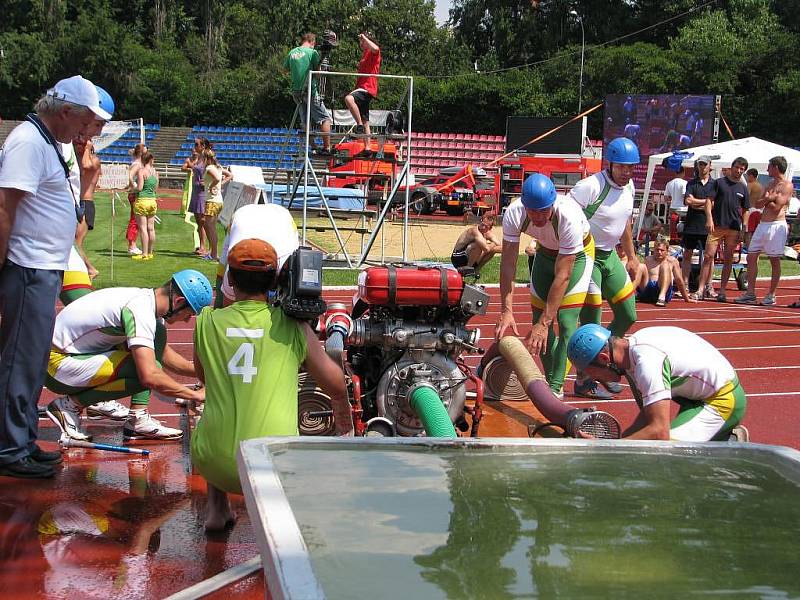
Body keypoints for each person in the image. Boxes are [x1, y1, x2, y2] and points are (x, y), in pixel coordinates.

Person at [192, 222, 353, 531]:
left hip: (215, 462)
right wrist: (344, 422)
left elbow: (204, 376)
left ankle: (216, 508)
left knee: (210, 415)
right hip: (271, 466)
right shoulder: (293, 326)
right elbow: (334, 384)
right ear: (276, 279)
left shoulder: (205, 322)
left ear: (231, 280)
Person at [0, 75, 110, 479]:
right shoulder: (29, 143)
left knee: (29, 364)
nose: (84, 131)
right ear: (65, 111)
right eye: (83, 121)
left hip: (43, 268)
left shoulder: (49, 142)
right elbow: (4, 210)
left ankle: (22, 441)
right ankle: (11, 448)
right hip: (29, 268)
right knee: (19, 361)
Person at [44, 269, 211, 442]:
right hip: (54, 366)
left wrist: (204, 373)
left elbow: (165, 355)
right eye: (189, 314)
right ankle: (68, 406)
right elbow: (150, 376)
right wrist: (195, 395)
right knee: (144, 371)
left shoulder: (147, 302)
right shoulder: (140, 310)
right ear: (179, 302)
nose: (186, 320)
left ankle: (137, 419)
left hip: (69, 358)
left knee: (157, 337)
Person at [495, 173, 594, 398]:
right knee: (537, 322)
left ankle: (556, 386)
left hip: (576, 257)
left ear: (552, 204)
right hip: (545, 254)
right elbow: (508, 263)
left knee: (566, 322)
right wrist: (506, 310)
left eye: (543, 211)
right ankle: (550, 381)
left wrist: (545, 322)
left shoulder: (567, 216)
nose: (538, 217)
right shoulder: (514, 213)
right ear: (524, 206)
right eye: (532, 211)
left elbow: (563, 276)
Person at [567, 324, 747, 441]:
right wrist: (616, 444)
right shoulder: (633, 350)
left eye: (592, 373)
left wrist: (608, 449)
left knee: (668, 455)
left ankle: (730, 443)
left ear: (604, 358)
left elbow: (659, 432)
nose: (596, 380)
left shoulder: (647, 362)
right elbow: (648, 418)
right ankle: (719, 440)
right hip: (699, 396)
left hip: (723, 400)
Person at [569, 136, 640, 400]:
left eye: (631, 167)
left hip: (610, 257)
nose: (627, 172)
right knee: (592, 318)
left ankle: (605, 364)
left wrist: (632, 257)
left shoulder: (630, 187)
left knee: (628, 314)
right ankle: (584, 379)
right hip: (587, 256)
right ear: (609, 164)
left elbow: (625, 224)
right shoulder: (590, 186)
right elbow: (566, 216)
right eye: (622, 167)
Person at [737, 156, 792, 306]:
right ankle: (750, 293)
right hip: (763, 224)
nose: (767, 169)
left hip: (776, 225)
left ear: (775, 167)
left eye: (769, 166)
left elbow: (776, 208)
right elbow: (758, 202)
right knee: (751, 256)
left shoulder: (786, 185)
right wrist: (770, 198)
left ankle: (771, 294)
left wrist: (769, 199)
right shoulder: (769, 184)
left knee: (774, 260)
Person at [72, 85, 113, 279]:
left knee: (75, 243)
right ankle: (87, 269)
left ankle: (89, 269)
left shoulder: (94, 161)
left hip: (86, 204)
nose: (99, 132)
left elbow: (86, 166)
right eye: (98, 125)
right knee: (73, 243)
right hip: (79, 202)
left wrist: (86, 148)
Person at [695, 157, 750, 303]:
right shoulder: (719, 183)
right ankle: (700, 289)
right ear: (732, 167)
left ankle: (723, 291)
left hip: (733, 228)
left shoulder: (743, 188)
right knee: (708, 256)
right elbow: (709, 201)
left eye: (742, 169)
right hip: (717, 226)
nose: (738, 171)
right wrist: (709, 218)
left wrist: (744, 229)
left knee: (728, 259)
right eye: (737, 167)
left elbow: (746, 210)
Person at [285, 33, 333, 156]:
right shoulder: (312, 53)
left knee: (305, 121)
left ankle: (314, 147)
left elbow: (285, 70)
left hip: (297, 91)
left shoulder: (292, 53)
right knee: (325, 118)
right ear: (312, 42)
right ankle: (327, 147)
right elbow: (318, 72)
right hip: (310, 90)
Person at [682, 155, 715, 298]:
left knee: (709, 257)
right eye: (700, 164)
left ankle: (708, 285)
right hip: (691, 224)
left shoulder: (715, 184)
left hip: (707, 224)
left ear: (710, 166)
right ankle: (684, 284)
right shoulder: (691, 183)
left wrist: (700, 203)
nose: (702, 167)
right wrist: (705, 203)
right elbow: (688, 201)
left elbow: (713, 204)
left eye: (704, 164)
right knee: (687, 254)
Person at [344, 32, 381, 151]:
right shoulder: (364, 54)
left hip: (367, 88)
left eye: (362, 41)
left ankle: (358, 125)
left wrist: (364, 37)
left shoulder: (373, 52)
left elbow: (376, 48)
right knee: (366, 120)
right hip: (361, 87)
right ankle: (368, 148)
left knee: (348, 99)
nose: (361, 43)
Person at [633, 240, 695, 307]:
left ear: (667, 251)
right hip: (648, 289)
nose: (659, 252)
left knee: (665, 265)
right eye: (657, 250)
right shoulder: (648, 259)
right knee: (641, 266)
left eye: (662, 250)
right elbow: (639, 276)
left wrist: (686, 298)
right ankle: (630, 293)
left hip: (663, 290)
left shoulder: (672, 261)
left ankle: (661, 297)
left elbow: (679, 280)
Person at [200, 149, 231, 262]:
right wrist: (217, 186)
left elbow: (217, 178)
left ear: (206, 158)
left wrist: (212, 186)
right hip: (218, 201)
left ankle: (214, 254)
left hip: (212, 201)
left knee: (211, 228)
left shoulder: (209, 168)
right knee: (211, 227)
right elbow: (229, 175)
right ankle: (213, 253)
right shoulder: (218, 167)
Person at [185, 138, 212, 256]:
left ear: (203, 146)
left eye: (197, 144)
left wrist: (207, 183)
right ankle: (202, 246)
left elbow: (215, 172)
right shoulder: (199, 158)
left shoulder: (207, 159)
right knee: (198, 222)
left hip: (202, 193)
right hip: (196, 192)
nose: (194, 146)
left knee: (203, 221)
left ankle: (209, 248)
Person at [133, 150, 158, 260]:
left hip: (142, 200)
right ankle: (150, 252)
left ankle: (144, 253)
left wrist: (131, 189)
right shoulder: (155, 172)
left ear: (143, 160)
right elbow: (155, 189)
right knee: (151, 228)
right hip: (152, 200)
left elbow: (140, 188)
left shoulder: (141, 171)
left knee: (143, 228)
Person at [126, 143, 146, 256]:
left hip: (135, 194)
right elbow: (129, 175)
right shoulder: (138, 164)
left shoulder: (138, 163)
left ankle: (133, 244)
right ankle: (132, 246)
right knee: (135, 220)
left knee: (136, 219)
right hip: (134, 194)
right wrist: (134, 186)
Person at [744, 167, 764, 249]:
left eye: (747, 176)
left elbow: (745, 196)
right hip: (760, 210)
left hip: (751, 210)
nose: (747, 178)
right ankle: (756, 248)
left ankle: (749, 248)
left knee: (748, 231)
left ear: (751, 176)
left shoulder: (750, 184)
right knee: (756, 231)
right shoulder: (761, 186)